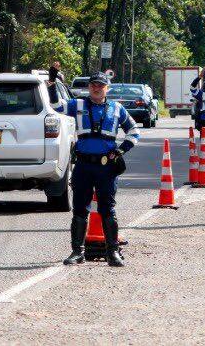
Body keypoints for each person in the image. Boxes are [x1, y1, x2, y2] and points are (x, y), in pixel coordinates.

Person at [62, 73, 140, 268]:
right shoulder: (76, 105)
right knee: (80, 208)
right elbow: (53, 106)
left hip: (106, 167)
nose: (96, 88)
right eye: (93, 85)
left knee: (107, 209)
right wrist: (52, 82)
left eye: (101, 85)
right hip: (83, 165)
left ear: (107, 88)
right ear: (89, 87)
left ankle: (112, 252)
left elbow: (134, 131)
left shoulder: (117, 108)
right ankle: (77, 252)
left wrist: (121, 150)